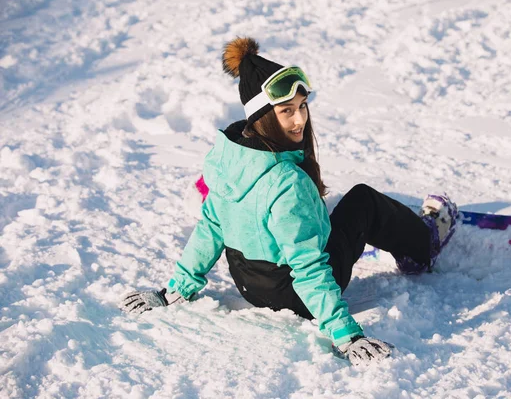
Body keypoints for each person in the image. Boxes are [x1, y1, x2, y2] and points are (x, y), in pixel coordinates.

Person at [120, 37, 459, 367]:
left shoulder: (225, 158)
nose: (299, 120)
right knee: (363, 201)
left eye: (302, 107)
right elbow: (308, 267)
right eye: (286, 111)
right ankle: (423, 242)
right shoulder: (288, 183)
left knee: (314, 214)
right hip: (296, 295)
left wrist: (175, 290)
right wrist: (346, 335)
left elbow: (211, 226)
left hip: (249, 284)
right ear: (264, 115)